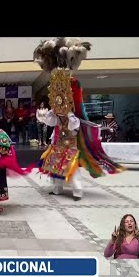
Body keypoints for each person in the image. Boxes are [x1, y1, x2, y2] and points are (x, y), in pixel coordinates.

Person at [35, 37, 124, 201]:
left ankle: (77, 191)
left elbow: (74, 122)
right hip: (57, 141)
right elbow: (50, 120)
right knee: (55, 166)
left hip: (69, 142)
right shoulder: (55, 112)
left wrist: (65, 116)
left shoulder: (71, 114)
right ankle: (57, 189)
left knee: (71, 166)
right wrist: (51, 114)